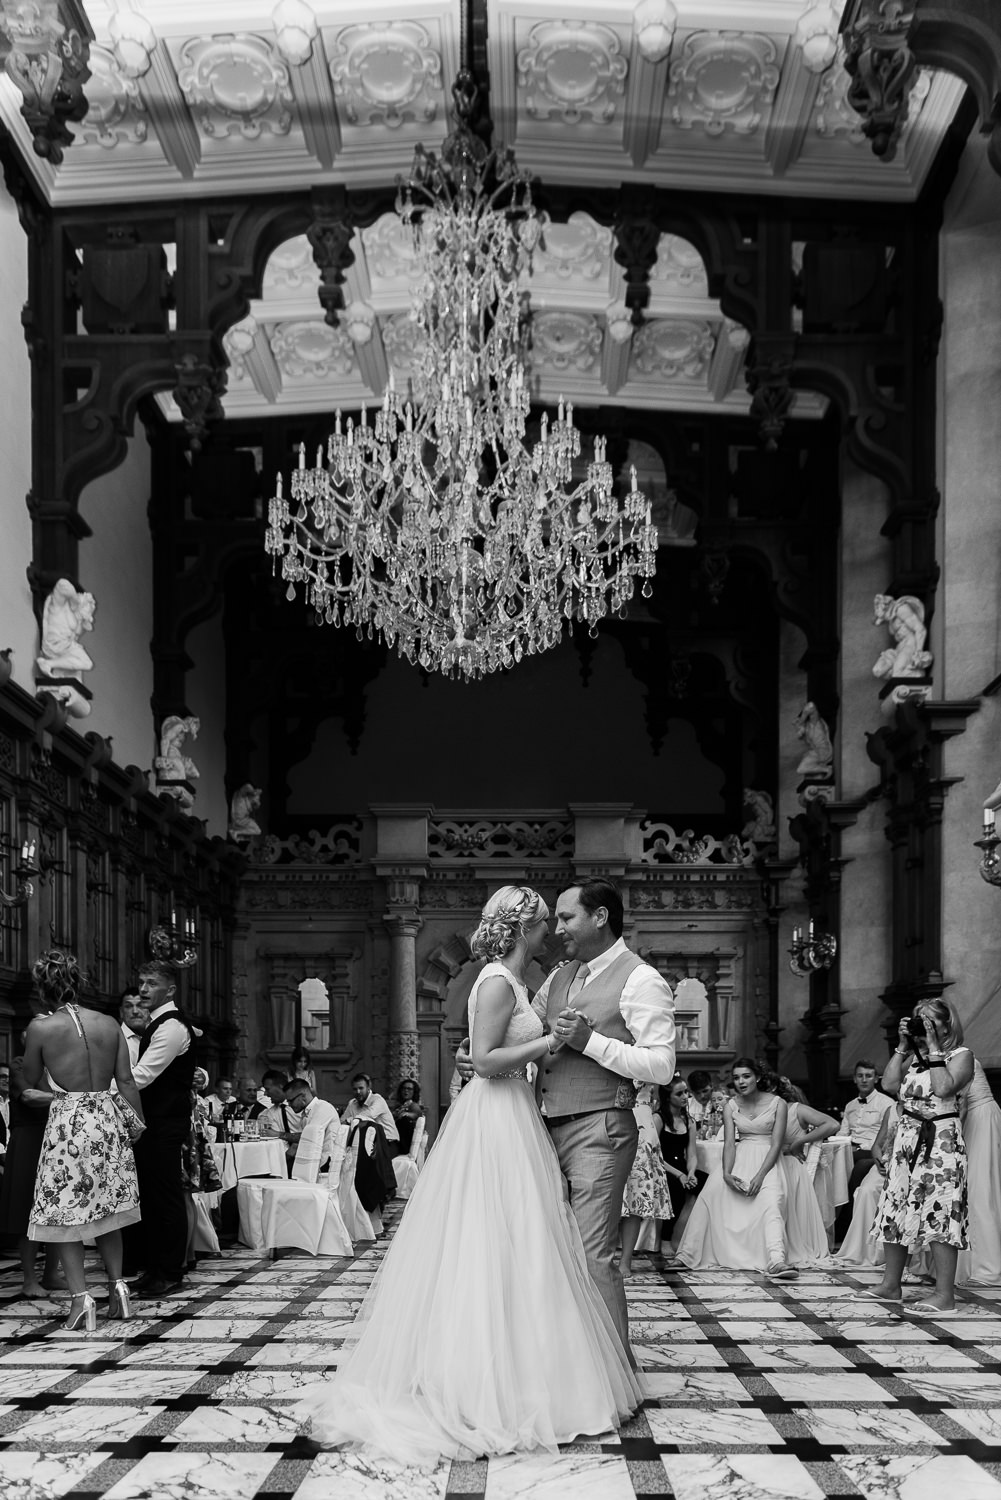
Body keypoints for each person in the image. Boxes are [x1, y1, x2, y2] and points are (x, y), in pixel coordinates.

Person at [297, 884, 641, 1462]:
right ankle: (485, 1380)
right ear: (524, 928)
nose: (552, 931)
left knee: (523, 1242)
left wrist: (555, 1044)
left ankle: (525, 1366)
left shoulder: (518, 982)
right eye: (544, 922)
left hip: (515, 1113)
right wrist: (545, 1045)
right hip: (497, 1116)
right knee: (496, 1240)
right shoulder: (498, 981)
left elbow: (495, 1051)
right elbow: (483, 1061)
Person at [521, 878, 675, 1355]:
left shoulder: (640, 978)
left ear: (601, 916)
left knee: (593, 1254)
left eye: (567, 918)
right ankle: (568, 1360)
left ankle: (614, 1372)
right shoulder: (561, 975)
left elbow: (661, 1065)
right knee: (551, 1251)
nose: (557, 928)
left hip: (601, 1128)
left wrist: (591, 1042)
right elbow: (531, 1036)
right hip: (544, 1126)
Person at [22, 950, 144, 1330]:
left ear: (43, 987)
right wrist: (136, 1125)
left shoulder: (41, 1028)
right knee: (108, 1210)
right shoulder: (109, 1023)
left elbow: (29, 1077)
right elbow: (126, 1081)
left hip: (68, 1123)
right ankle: (118, 1288)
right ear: (80, 981)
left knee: (61, 1212)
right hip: (108, 1118)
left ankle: (81, 1300)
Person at [866, 998, 972, 1313]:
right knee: (895, 1207)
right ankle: (890, 1285)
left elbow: (943, 1088)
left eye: (927, 1020)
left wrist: (935, 1047)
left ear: (946, 1024)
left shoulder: (961, 1056)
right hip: (907, 1141)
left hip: (940, 1142)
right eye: (917, 1019)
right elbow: (887, 1084)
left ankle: (944, 1295)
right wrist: (902, 1045)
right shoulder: (914, 1057)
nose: (921, 1025)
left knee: (940, 1210)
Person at [678, 1056, 802, 1279]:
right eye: (736, 1078)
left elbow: (776, 1144)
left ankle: (776, 1260)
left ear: (758, 1078)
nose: (741, 1082)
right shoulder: (730, 1105)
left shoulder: (778, 1104)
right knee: (711, 1194)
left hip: (768, 1160)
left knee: (772, 1203)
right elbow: (729, 1144)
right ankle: (687, 1254)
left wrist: (760, 1175)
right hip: (740, 1156)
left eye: (746, 1076)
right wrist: (726, 1173)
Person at [127, 959, 197, 1298]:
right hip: (155, 1121)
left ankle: (170, 1271)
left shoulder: (171, 1026)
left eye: (151, 983)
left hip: (166, 1122)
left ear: (169, 989)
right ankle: (155, 1267)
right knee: (152, 1198)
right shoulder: (159, 1022)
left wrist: (103, 1089)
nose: (142, 989)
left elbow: (144, 1074)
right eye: (141, 981)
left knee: (167, 1197)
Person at [0, 1039, 63, 1296]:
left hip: (57, 1137)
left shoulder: (62, 1063)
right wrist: (68, 1098)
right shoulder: (20, 1064)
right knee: (30, 1210)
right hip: (29, 1139)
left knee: (59, 1209)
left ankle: (51, 1274)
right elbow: (28, 1096)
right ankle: (28, 1280)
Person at [834, 1059, 893, 1242]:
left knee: (858, 1166)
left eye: (869, 1076)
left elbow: (887, 1138)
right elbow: (843, 1132)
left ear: (876, 1079)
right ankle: (830, 1224)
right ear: (854, 1079)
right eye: (860, 1076)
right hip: (849, 1150)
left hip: (871, 1152)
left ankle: (848, 1226)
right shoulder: (850, 1105)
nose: (864, 1080)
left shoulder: (887, 1103)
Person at [957, 1044, 1001, 1285]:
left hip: (980, 1119)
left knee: (980, 1191)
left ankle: (988, 1268)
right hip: (972, 1119)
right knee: (970, 1191)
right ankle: (971, 1264)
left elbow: (961, 1103)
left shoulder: (960, 1056)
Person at [618, 1081, 672, 1278]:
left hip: (640, 1121)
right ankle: (601, 1258)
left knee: (635, 1194)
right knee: (607, 1194)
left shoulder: (647, 1051)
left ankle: (625, 1260)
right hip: (609, 1115)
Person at [659, 1074, 700, 1256]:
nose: (685, 1097)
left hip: (683, 1168)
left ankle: (697, 1238)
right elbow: (654, 1155)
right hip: (662, 1168)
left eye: (686, 1093)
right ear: (668, 1097)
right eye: (679, 1094)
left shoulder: (689, 1121)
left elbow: (691, 1153)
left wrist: (691, 1172)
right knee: (675, 1189)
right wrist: (680, 1175)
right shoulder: (658, 1119)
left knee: (709, 1182)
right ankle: (666, 1239)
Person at [258, 1069, 304, 1169]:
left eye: (268, 1089)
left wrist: (292, 1149)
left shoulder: (302, 1108)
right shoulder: (269, 1113)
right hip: (279, 1162)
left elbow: (309, 1136)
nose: (265, 1094)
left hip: (304, 1159)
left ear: (280, 1086)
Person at [685, 1069, 728, 1141]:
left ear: (711, 1086)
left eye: (705, 1091)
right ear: (691, 1092)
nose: (702, 1096)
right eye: (697, 1093)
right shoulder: (686, 1106)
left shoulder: (722, 1102)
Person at [392, 1078, 425, 1156]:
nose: (406, 1091)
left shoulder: (414, 1105)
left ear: (414, 1092)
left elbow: (417, 1115)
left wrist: (406, 1114)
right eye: (404, 1088)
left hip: (405, 1144)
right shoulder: (399, 1106)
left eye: (409, 1089)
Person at [119, 987, 148, 1071]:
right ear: (121, 1012)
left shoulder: (157, 1035)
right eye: (128, 1006)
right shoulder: (117, 1040)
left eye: (140, 1005)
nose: (135, 1011)